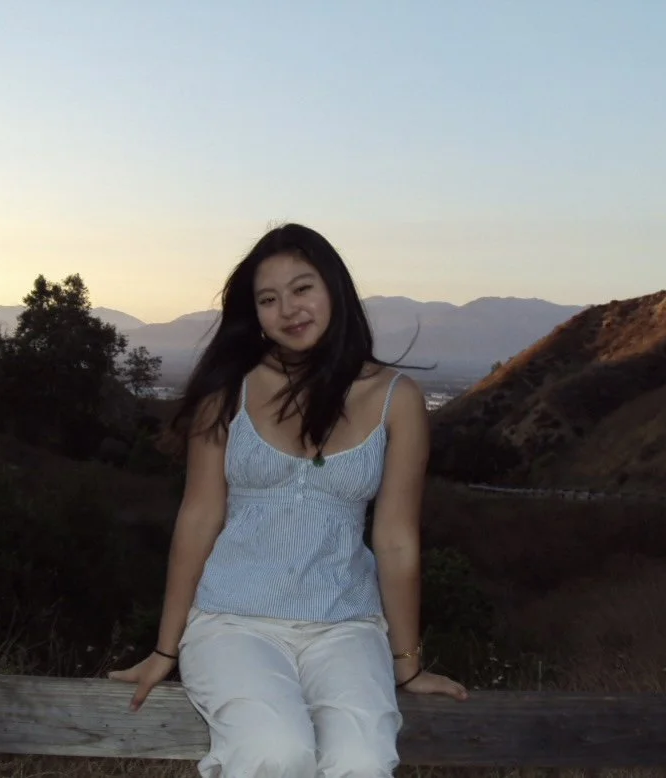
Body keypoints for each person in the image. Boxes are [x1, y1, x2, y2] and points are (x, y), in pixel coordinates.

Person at [110, 223, 468, 777]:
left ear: (334, 289)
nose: (288, 310)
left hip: (346, 625)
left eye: (303, 288)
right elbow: (199, 518)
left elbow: (396, 540)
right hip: (232, 620)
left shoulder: (395, 398)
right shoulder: (228, 392)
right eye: (268, 299)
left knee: (361, 760)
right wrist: (166, 649)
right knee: (275, 751)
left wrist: (407, 664)